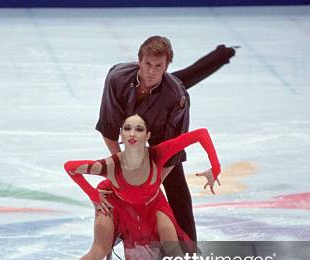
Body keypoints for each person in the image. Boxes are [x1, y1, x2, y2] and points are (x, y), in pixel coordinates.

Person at [45, 114, 221, 260]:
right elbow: (70, 167)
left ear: (147, 135)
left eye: (139, 129)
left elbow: (200, 134)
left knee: (173, 246)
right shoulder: (111, 165)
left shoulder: (158, 153)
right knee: (99, 250)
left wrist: (215, 167)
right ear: (121, 134)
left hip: (152, 204)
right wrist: (93, 195)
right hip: (115, 203)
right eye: (127, 128)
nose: (132, 133)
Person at [96, 36, 235, 244]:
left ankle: (188, 252)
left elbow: (172, 153)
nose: (151, 71)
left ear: (167, 65)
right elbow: (109, 129)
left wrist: (149, 186)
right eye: (147, 64)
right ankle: (223, 52)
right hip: (135, 122)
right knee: (124, 183)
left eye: (158, 66)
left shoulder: (176, 98)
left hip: (163, 127)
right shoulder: (117, 79)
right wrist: (122, 166)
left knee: (176, 187)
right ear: (139, 61)